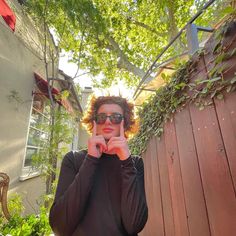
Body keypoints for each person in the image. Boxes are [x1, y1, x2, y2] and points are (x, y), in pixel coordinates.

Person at [49, 96, 148, 236]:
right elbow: (60, 227)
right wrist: (91, 159)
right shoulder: (73, 159)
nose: (107, 121)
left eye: (116, 117)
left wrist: (126, 161)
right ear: (94, 122)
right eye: (102, 117)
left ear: (124, 124)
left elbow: (134, 225)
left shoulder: (135, 163)